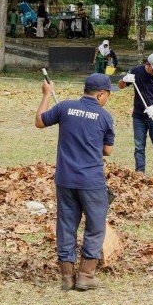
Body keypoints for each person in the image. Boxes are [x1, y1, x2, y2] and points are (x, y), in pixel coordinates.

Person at [35, 72, 115, 291]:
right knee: (95, 227)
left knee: (66, 226)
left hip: (65, 179)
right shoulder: (104, 116)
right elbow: (107, 150)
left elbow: (39, 122)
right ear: (100, 94)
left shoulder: (65, 107)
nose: (107, 100)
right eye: (108, 96)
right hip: (92, 182)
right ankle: (86, 276)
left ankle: (67, 277)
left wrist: (46, 94)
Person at [118, 53, 153, 186]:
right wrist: (124, 79)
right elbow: (120, 86)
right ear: (148, 64)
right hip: (138, 117)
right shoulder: (136, 71)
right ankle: (139, 173)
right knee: (139, 147)